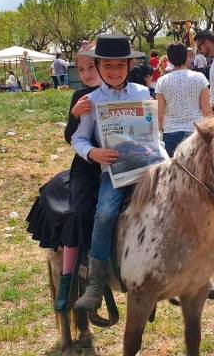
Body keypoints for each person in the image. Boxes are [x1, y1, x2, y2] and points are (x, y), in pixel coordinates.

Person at [71, 34, 160, 311]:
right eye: (107, 66)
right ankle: (96, 282)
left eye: (119, 66)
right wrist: (93, 153)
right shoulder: (91, 100)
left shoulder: (143, 93)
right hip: (114, 173)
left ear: (128, 66)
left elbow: (154, 134)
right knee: (106, 212)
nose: (113, 71)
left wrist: (163, 159)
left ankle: (182, 270)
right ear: (98, 67)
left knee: (174, 204)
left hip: (146, 168)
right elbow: (79, 138)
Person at [28, 41, 104, 312]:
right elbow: (70, 137)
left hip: (123, 161)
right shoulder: (80, 97)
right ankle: (68, 276)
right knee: (77, 212)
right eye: (81, 69)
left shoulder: (122, 92)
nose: (86, 73)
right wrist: (74, 116)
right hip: (88, 164)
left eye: (91, 67)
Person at [156, 42, 212, 157]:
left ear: (169, 59)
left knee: (173, 172)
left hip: (170, 132)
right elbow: (207, 112)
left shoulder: (162, 81)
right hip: (195, 131)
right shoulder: (200, 78)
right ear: (187, 56)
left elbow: (160, 115)